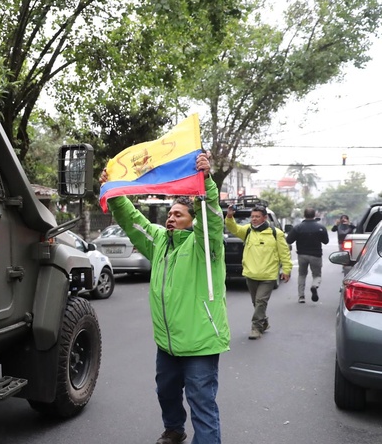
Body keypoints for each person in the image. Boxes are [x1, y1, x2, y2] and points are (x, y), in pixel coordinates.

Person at [100, 151, 229, 444]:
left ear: (192, 221)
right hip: (167, 343)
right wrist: (115, 191)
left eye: (178, 214)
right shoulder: (159, 242)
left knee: (202, 404)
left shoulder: (204, 247)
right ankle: (174, 429)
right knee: (166, 392)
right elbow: (133, 220)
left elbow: (210, 219)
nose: (171, 218)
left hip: (200, 344)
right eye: (169, 214)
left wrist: (205, 182)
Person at [225, 205, 292, 339]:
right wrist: (229, 217)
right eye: (253, 216)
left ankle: (256, 328)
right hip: (251, 274)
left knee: (261, 301)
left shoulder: (275, 233)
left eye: (257, 217)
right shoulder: (248, 230)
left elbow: (284, 253)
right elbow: (234, 229)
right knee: (256, 303)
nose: (254, 219)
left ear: (265, 218)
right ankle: (264, 321)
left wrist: (286, 269)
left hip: (268, 275)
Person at [286, 208, 329, 303]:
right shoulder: (320, 227)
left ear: (304, 215)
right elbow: (326, 241)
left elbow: (289, 240)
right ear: (314, 215)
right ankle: (314, 285)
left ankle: (301, 296)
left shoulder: (298, 227)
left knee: (302, 274)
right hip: (316, 255)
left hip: (302, 255)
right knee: (317, 275)